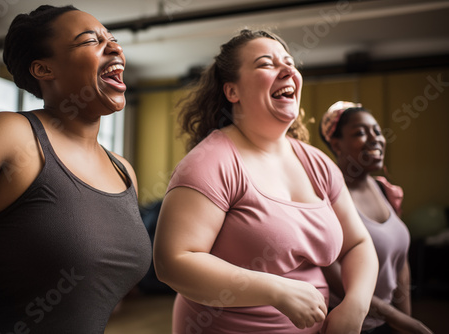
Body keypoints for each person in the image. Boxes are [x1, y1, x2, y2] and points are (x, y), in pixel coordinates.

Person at [153, 29, 378, 334]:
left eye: (289, 63)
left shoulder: (318, 164)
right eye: (265, 64)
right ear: (232, 92)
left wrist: (355, 306)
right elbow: (173, 262)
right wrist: (275, 290)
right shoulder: (210, 162)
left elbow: (358, 244)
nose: (287, 70)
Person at [0, 5, 151, 333]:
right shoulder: (8, 135)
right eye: (91, 41)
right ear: (44, 69)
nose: (115, 47)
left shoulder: (123, 170)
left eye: (112, 39)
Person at [319, 101, 433, 334]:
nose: (376, 139)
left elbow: (400, 264)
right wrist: (400, 320)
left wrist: (403, 321)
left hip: (386, 324)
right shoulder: (327, 199)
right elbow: (333, 275)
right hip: (349, 325)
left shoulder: (385, 191)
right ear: (336, 144)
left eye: (377, 131)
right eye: (360, 132)